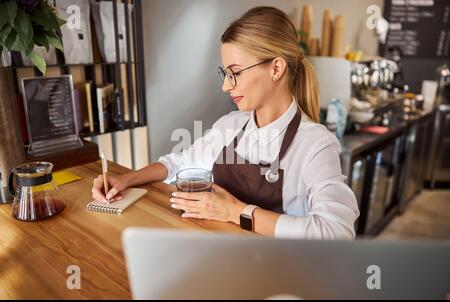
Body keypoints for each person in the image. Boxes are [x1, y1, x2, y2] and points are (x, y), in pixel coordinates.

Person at [92, 6, 359, 239]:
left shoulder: (315, 144)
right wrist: (127, 179)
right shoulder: (230, 126)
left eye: (235, 73)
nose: (225, 86)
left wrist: (234, 212)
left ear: (276, 69)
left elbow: (335, 232)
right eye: (225, 73)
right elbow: (178, 163)